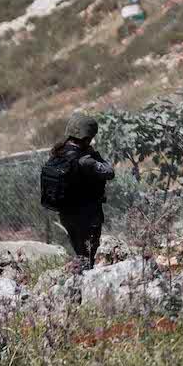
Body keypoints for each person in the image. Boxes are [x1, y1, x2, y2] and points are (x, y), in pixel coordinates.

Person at [40, 114, 115, 270]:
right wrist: (94, 154)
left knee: (80, 253)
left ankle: (79, 280)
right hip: (86, 216)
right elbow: (109, 172)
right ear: (87, 138)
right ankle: (84, 284)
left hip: (66, 214)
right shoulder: (85, 160)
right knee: (88, 256)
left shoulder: (57, 153)